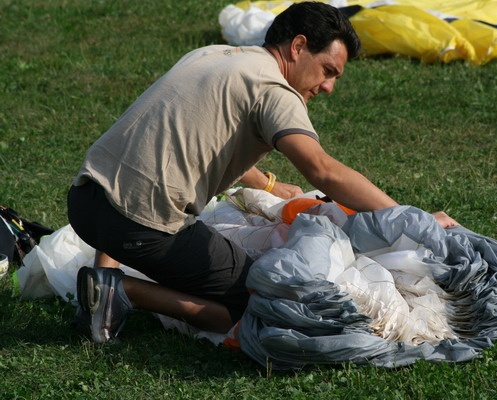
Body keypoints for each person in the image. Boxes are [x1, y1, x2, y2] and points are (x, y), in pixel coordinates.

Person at [67, 1, 458, 343]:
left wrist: (268, 184)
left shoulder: (213, 54)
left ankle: (104, 277)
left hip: (85, 204)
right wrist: (412, 219)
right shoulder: (274, 89)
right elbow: (323, 170)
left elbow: (199, 138)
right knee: (265, 303)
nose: (328, 87)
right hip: (139, 228)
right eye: (328, 70)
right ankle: (123, 291)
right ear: (298, 46)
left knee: (141, 178)